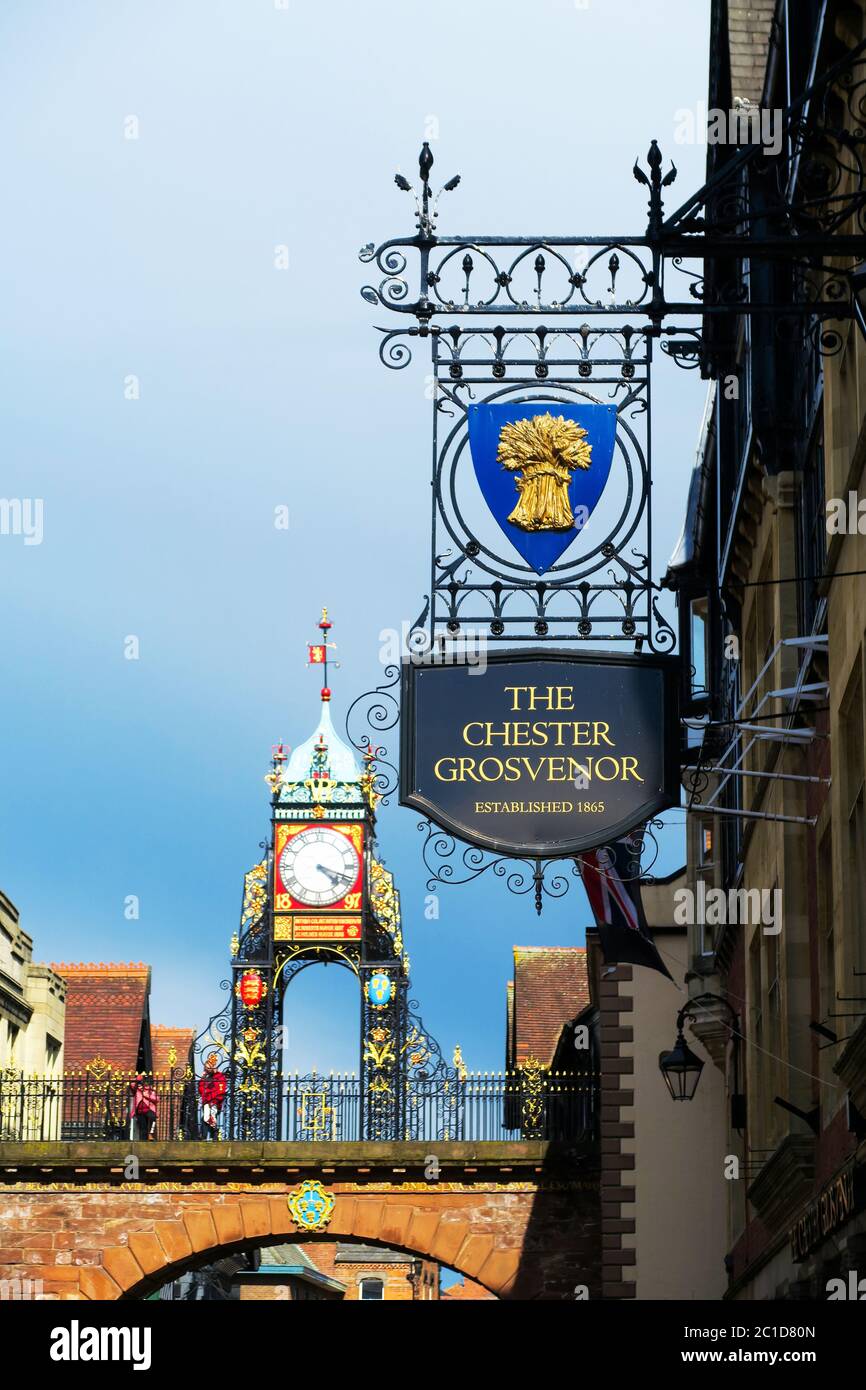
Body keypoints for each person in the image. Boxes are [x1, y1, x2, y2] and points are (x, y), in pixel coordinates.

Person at [198, 1054, 227, 1140]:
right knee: (207, 1117)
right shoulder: (205, 1077)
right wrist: (203, 1079)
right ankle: (214, 1134)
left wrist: (214, 1099)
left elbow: (221, 1090)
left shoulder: (219, 1076)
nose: (207, 1069)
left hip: (214, 1101)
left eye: (209, 1067)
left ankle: (211, 1134)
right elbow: (201, 1088)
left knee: (210, 1117)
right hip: (206, 1100)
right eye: (206, 1067)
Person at [129, 1072, 158, 1141]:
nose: (141, 1085)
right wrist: (138, 1078)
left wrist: (145, 1095)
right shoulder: (136, 1090)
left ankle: (151, 1133)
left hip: (148, 1109)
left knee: (153, 1117)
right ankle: (143, 1143)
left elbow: (156, 1099)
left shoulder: (150, 1090)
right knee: (143, 1128)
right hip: (139, 1111)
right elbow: (132, 1085)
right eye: (140, 1083)